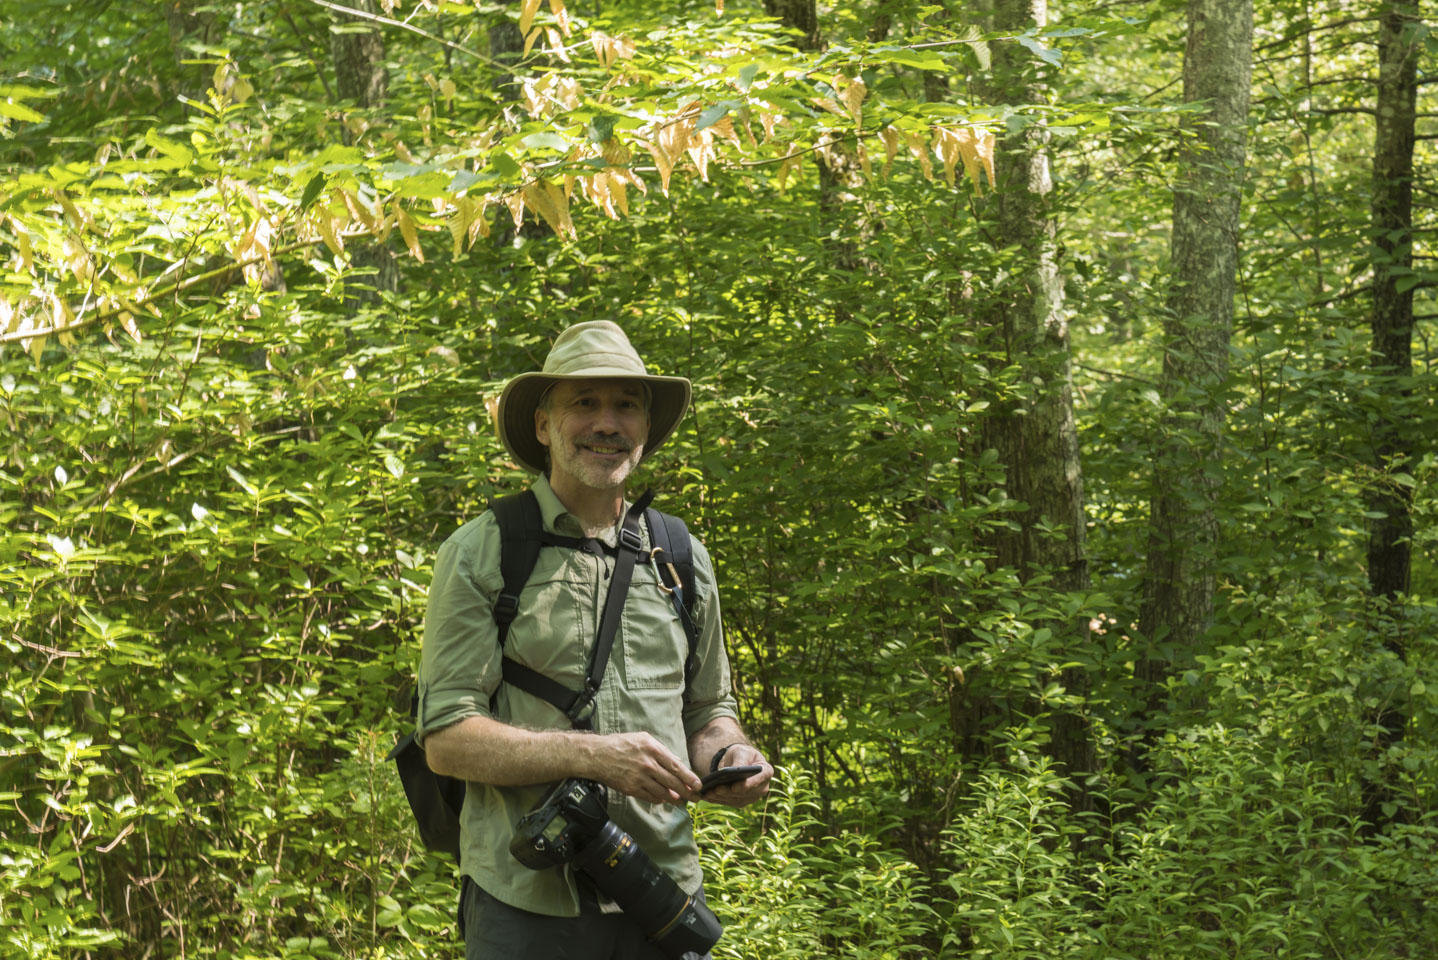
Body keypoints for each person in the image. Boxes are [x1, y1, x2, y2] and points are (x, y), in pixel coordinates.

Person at [416, 321, 773, 960]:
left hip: (660, 897)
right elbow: (446, 740)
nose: (607, 422)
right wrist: (594, 756)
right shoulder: (484, 553)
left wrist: (730, 758)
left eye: (626, 405)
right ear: (544, 425)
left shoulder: (680, 556)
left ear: (645, 426)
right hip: (525, 906)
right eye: (585, 402)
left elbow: (709, 712)